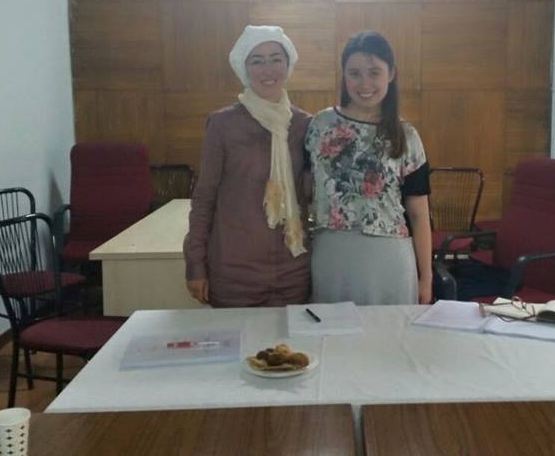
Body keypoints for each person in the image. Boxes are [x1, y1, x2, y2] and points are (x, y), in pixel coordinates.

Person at [183, 25, 311, 307]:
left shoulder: (305, 125)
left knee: (292, 338)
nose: (268, 69)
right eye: (257, 61)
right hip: (234, 271)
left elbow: (312, 195)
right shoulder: (223, 124)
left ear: (288, 64)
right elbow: (204, 198)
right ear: (245, 68)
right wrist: (195, 263)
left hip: (293, 269)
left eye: (276, 59)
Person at [305, 30, 433, 305]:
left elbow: (419, 214)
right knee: (333, 331)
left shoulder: (406, 135)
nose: (364, 83)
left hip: (389, 260)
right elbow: (302, 194)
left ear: (391, 73)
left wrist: (426, 277)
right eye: (355, 73)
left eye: (374, 73)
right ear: (344, 75)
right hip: (332, 256)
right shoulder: (320, 126)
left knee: (388, 332)